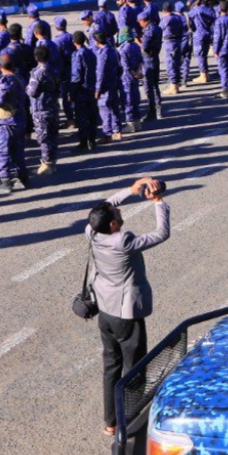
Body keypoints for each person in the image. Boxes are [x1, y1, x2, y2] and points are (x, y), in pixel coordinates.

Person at [88, 176, 170, 435]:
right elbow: (161, 233)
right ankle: (129, 420)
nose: (119, 210)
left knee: (111, 365)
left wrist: (131, 190)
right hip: (125, 313)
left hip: (105, 309)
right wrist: (158, 201)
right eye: (117, 214)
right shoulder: (123, 241)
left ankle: (111, 422)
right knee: (134, 368)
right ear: (113, 224)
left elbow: (105, 206)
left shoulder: (92, 231)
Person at [0, 54, 30, 194]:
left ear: (0, 66)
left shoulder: (5, 82)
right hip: (20, 119)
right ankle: (22, 177)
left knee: (2, 151)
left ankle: (5, 181)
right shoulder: (19, 78)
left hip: (7, 121)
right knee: (18, 150)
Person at [27, 44, 60, 175]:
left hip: (41, 109)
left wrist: (25, 87)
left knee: (44, 138)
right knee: (53, 135)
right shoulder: (54, 70)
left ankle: (46, 164)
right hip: (53, 106)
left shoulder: (37, 73)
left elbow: (32, 92)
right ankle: (53, 162)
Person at [69, 31, 98, 150]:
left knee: (81, 117)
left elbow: (76, 76)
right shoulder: (90, 52)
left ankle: (83, 142)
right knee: (92, 116)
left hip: (82, 90)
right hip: (91, 88)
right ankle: (92, 140)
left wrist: (72, 92)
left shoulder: (77, 55)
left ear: (74, 42)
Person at [117, 29, 145, 132]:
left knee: (127, 101)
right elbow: (141, 61)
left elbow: (126, 67)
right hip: (135, 77)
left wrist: (134, 74)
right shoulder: (136, 46)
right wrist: (138, 72)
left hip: (126, 78)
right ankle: (137, 123)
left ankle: (130, 124)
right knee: (135, 99)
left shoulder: (122, 50)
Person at [138, 12, 162, 121]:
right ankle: (158, 108)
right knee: (156, 85)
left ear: (143, 20)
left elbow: (144, 47)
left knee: (148, 87)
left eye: (140, 22)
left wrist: (137, 41)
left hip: (148, 60)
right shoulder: (157, 28)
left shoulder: (148, 31)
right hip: (155, 58)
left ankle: (152, 111)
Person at [159, 2, 186, 97]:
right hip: (178, 41)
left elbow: (159, 29)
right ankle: (176, 84)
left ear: (164, 10)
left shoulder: (166, 19)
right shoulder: (178, 17)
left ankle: (173, 86)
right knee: (177, 63)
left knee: (171, 64)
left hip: (169, 43)